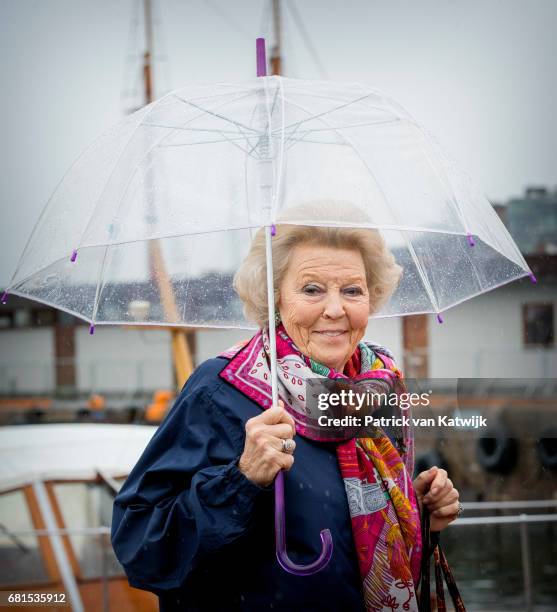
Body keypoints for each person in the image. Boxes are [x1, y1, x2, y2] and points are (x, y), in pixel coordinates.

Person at [111, 201, 461, 611]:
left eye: (352, 290)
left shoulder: (380, 385)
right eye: (312, 289)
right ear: (275, 296)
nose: (335, 309)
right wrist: (241, 480)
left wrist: (416, 510)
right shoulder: (218, 391)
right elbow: (140, 545)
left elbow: (359, 535)